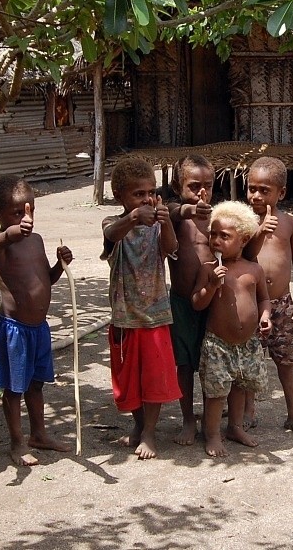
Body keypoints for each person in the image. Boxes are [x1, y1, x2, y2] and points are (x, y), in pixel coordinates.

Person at [0, 175, 73, 466]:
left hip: (39, 328)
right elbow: (2, 237)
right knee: (14, 388)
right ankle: (17, 442)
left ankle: (39, 434)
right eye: (17, 212)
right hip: (15, 330)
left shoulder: (36, 240)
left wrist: (60, 266)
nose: (27, 218)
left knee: (36, 385)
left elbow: (46, 280)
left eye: (31, 210)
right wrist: (14, 231)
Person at [102, 157, 181, 459]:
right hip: (125, 316)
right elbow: (111, 235)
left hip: (156, 315)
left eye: (150, 192)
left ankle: (149, 431)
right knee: (129, 379)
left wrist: (167, 221)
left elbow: (171, 248)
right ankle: (137, 425)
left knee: (153, 378)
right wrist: (135, 217)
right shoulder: (114, 224)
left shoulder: (156, 227)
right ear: (119, 196)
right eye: (138, 194)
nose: (146, 199)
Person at [192, 200, 271, 457]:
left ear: (244, 240)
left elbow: (263, 299)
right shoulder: (208, 270)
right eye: (213, 234)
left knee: (241, 385)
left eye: (224, 236)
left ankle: (235, 427)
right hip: (218, 344)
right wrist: (212, 285)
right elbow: (197, 303)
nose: (215, 240)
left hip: (247, 344)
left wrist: (265, 316)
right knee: (216, 392)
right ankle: (212, 434)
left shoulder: (254, 270)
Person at [244, 157, 293, 437]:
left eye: (264, 190)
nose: (256, 196)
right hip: (250, 304)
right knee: (249, 359)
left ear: (281, 193)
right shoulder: (242, 222)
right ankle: (247, 412)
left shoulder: (290, 224)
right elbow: (244, 256)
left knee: (286, 360)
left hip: (282, 305)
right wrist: (259, 231)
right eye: (252, 189)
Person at [165, 155, 215, 445]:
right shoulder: (176, 215)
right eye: (194, 186)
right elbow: (173, 212)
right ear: (177, 186)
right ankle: (186, 419)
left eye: (207, 185)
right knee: (183, 363)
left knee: (210, 363)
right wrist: (186, 209)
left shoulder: (215, 218)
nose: (201, 193)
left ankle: (210, 424)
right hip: (181, 301)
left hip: (211, 302)